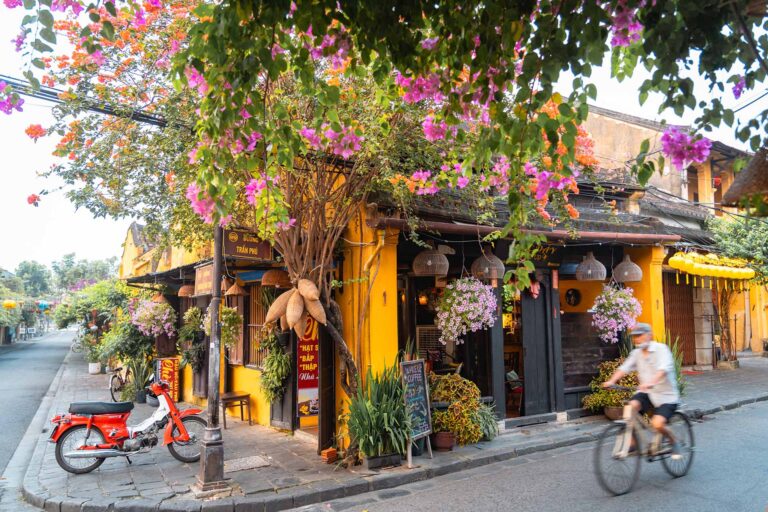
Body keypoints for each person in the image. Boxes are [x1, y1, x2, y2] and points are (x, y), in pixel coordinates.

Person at [602, 322, 682, 459]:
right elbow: (624, 368)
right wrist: (611, 381)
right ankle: (632, 444)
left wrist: (651, 382)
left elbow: (663, 370)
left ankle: (673, 441)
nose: (637, 339)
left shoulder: (661, 349)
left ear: (649, 336)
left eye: (640, 335)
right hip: (647, 393)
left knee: (657, 423)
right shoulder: (636, 353)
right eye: (635, 337)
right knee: (631, 408)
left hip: (666, 396)